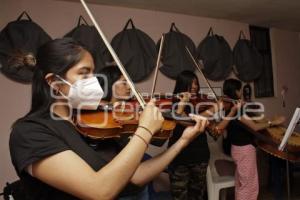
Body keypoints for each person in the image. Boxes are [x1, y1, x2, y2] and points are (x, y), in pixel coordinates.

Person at [9, 38, 209, 200]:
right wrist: (145, 130)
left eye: (93, 74)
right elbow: (99, 191)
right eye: (84, 74)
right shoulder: (30, 133)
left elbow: (136, 177)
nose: (94, 82)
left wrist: (182, 142)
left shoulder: (91, 125)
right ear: (54, 83)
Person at [167, 71, 240, 200]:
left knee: (197, 196)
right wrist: (213, 109)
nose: (195, 86)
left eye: (196, 83)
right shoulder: (175, 106)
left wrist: (231, 112)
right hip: (179, 160)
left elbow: (216, 131)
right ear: (182, 85)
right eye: (191, 83)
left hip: (200, 159)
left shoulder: (200, 106)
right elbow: (187, 121)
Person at [223, 78, 285, 200]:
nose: (241, 92)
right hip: (244, 151)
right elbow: (255, 127)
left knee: (241, 184)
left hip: (236, 149)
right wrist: (273, 122)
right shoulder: (236, 110)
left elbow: (244, 123)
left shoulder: (228, 107)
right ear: (236, 91)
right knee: (249, 186)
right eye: (240, 90)